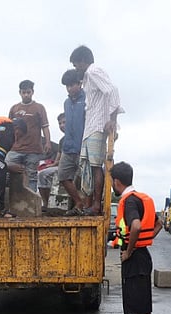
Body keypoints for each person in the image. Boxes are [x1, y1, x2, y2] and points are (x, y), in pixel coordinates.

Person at [106, 161, 162, 314]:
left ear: (117, 182)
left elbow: (136, 226)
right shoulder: (140, 198)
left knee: (144, 310)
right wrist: (142, 243)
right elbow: (158, 224)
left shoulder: (129, 202)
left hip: (136, 259)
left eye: (112, 181)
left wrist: (129, 251)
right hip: (142, 256)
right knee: (140, 309)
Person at [69, 45, 123, 215]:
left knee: (95, 166)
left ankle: (96, 205)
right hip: (91, 126)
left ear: (83, 61)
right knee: (88, 167)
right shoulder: (88, 78)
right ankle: (90, 203)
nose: (75, 68)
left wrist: (112, 120)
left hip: (98, 126)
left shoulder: (93, 71)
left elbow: (113, 90)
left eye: (76, 64)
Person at [5, 80, 51, 195]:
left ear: (32, 92)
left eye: (28, 92)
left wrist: (48, 142)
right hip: (15, 148)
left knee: (31, 176)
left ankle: (30, 202)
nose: (26, 95)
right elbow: (9, 128)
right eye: (24, 92)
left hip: (33, 149)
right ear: (20, 93)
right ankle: (5, 199)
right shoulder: (14, 109)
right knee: (5, 167)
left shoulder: (39, 108)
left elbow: (45, 126)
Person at [58, 68, 91, 213]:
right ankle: (79, 203)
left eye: (72, 84)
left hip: (82, 146)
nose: (70, 88)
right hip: (68, 147)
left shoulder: (87, 99)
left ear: (80, 84)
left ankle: (88, 207)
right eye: (68, 86)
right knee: (63, 176)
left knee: (87, 180)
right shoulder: (66, 102)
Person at [37, 114, 64, 211]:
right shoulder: (62, 141)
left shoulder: (77, 137)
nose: (62, 125)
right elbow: (57, 160)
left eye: (64, 122)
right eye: (60, 123)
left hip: (74, 167)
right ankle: (46, 204)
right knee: (42, 174)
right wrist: (49, 165)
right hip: (62, 167)